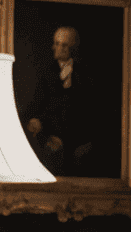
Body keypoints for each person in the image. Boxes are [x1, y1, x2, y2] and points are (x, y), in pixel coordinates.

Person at [22, 25, 97, 178]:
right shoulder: (45, 73)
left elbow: (90, 110)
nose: (57, 48)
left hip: (78, 139)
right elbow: (36, 108)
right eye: (56, 43)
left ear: (72, 48)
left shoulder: (85, 74)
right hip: (50, 136)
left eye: (63, 45)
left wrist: (85, 142)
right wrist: (43, 130)